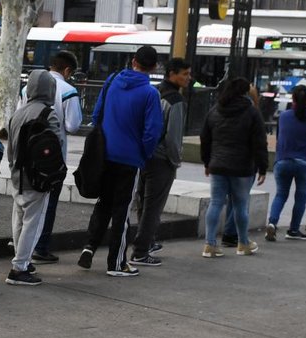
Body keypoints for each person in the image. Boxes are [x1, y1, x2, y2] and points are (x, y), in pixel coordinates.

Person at [78, 45, 163, 276]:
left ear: (133, 60)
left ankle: (89, 246)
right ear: (154, 67)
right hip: (130, 157)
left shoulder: (112, 79)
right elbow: (152, 131)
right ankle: (116, 263)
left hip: (104, 153)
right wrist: (143, 154)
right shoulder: (150, 93)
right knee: (121, 211)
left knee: (103, 202)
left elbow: (97, 115)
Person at [126, 57, 188, 265]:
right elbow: (173, 137)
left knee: (144, 201)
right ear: (172, 74)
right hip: (162, 159)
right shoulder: (176, 101)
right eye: (185, 74)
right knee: (154, 206)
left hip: (143, 155)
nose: (188, 78)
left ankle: (147, 241)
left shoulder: (153, 92)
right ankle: (141, 251)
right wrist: (175, 161)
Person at [199, 78, 268, 257]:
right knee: (240, 205)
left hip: (218, 165)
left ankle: (210, 244)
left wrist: (207, 162)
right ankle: (243, 243)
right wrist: (262, 167)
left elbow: (205, 138)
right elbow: (260, 142)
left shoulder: (214, 111)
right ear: (245, 92)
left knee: (215, 203)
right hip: (242, 167)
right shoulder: (252, 112)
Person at [5, 70, 60, 286]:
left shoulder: (17, 113)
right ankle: (19, 268)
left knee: (19, 220)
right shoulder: (48, 114)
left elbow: (10, 149)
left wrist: (13, 169)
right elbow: (55, 149)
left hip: (18, 177)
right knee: (33, 224)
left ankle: (21, 262)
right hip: (38, 178)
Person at [30, 50, 82, 263]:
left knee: (28, 202)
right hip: (54, 156)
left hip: (29, 153)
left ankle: (22, 243)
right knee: (49, 203)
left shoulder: (28, 87)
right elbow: (73, 125)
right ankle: (41, 247)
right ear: (67, 70)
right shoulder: (69, 90)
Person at [265, 84, 306, 241]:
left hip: (283, 159)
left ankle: (272, 223)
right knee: (301, 197)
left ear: (293, 99)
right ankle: (293, 230)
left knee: (281, 194)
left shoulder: (284, 116)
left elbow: (279, 136)